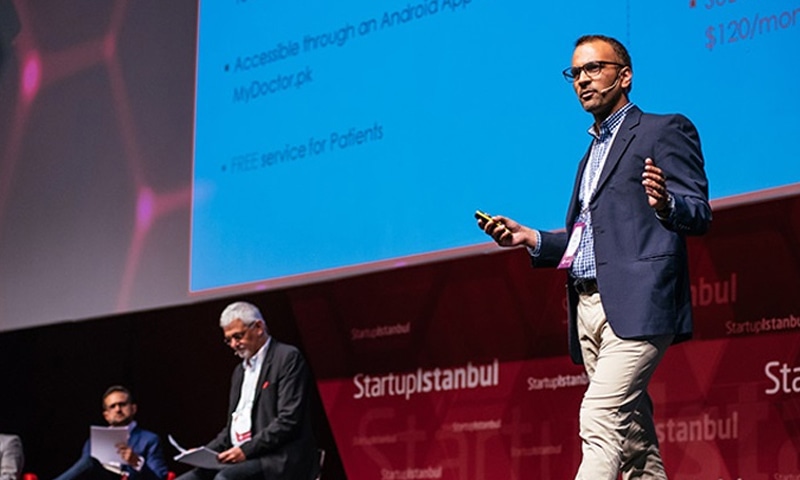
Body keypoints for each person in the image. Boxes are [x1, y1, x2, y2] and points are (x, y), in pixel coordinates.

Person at [476, 34, 711, 479]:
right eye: (575, 73)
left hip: (638, 304)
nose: (583, 80)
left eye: (594, 69)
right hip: (587, 308)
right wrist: (531, 238)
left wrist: (666, 206)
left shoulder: (664, 129)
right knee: (637, 444)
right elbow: (592, 239)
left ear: (624, 76)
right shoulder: (590, 156)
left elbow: (698, 211)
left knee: (599, 419)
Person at [175, 301, 317, 480]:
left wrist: (245, 450)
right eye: (229, 340)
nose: (234, 344)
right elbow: (231, 430)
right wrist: (204, 452)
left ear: (258, 327)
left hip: (275, 459)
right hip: (242, 457)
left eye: (238, 336)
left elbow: (288, 420)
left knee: (225, 479)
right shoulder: (239, 372)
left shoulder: (287, 358)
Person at [54, 386, 168, 480]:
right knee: (89, 462)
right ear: (106, 415)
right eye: (112, 406)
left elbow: (159, 478)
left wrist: (137, 463)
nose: (118, 409)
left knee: (89, 462)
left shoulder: (149, 439)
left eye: (122, 404)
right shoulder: (93, 441)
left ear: (133, 408)